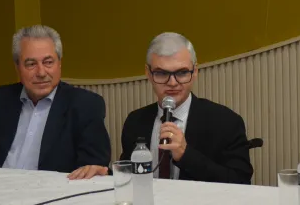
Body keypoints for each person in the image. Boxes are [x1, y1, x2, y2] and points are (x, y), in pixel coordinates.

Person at [69, 32, 252, 183]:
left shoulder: (225, 122)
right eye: (162, 73)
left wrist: (186, 155)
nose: (172, 83)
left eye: (182, 73)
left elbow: (241, 182)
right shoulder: (136, 121)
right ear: (148, 73)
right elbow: (134, 176)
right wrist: (108, 175)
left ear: (195, 71)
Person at [0, 25, 111, 173]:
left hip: (52, 187)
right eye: (31, 64)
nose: (41, 73)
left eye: (48, 62)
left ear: (60, 63)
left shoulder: (86, 105)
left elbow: (92, 170)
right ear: (17, 67)